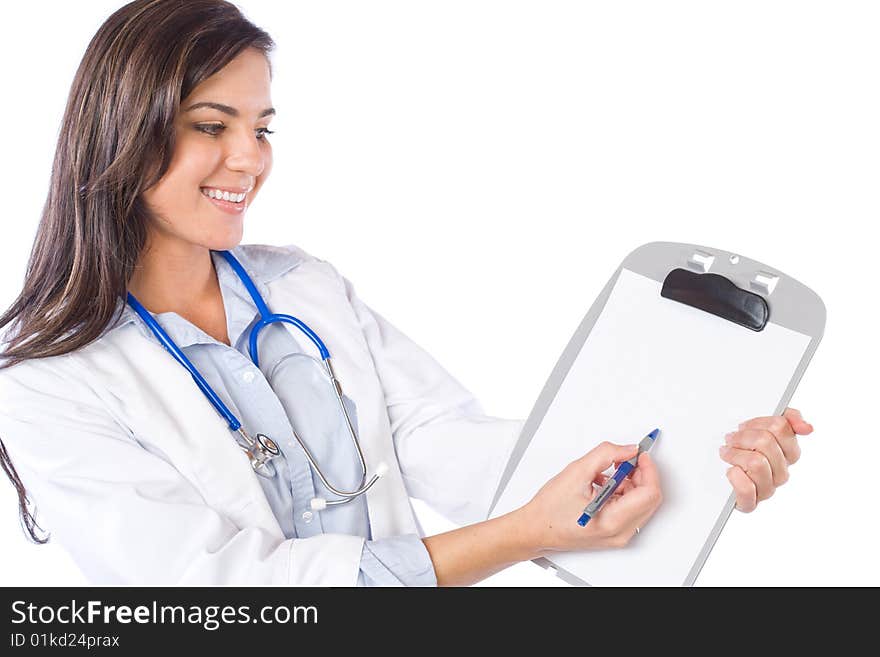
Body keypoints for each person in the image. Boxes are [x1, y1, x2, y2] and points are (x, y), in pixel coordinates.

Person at [0, 0, 813, 586]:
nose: (250, 159)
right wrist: (520, 533)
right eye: (212, 126)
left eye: (263, 127)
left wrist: (687, 467)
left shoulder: (302, 288)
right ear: (121, 131)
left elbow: (447, 441)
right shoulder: (47, 384)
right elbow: (228, 595)